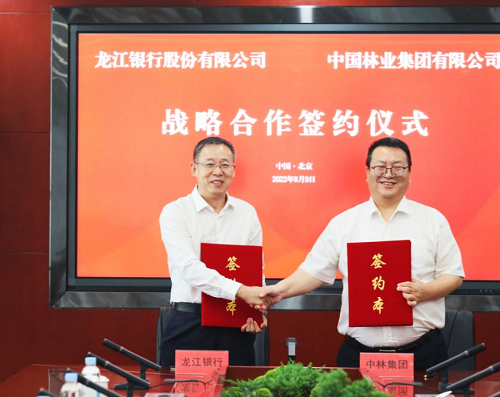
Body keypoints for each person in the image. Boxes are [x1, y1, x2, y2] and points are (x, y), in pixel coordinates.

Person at [259, 137, 464, 369]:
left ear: (409, 172)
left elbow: (453, 274)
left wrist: (426, 291)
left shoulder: (433, 220)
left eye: (397, 167)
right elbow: (312, 272)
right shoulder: (344, 223)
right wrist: (278, 291)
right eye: (380, 167)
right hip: (358, 356)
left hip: (424, 355)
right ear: (367, 172)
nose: (388, 174)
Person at [158, 136, 268, 367]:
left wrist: (258, 308)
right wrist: (241, 291)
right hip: (189, 325)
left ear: (233, 170)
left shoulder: (247, 213)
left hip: (236, 323)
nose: (218, 171)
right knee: (183, 386)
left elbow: (255, 269)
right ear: (194, 168)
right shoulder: (175, 211)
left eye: (225, 165)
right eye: (209, 164)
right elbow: (188, 268)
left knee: (237, 386)